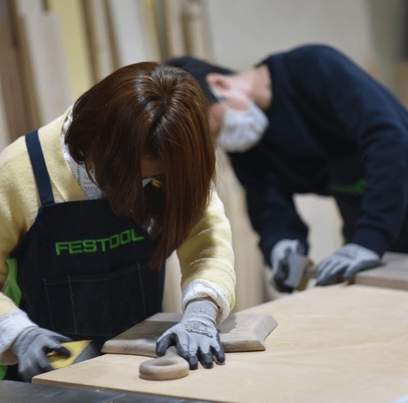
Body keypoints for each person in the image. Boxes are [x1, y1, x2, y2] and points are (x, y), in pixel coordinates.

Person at [0, 62, 236, 382]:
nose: (142, 188)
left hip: (134, 365)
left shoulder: (173, 163)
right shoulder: (17, 174)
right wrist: (16, 334)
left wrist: (201, 314)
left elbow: (207, 244)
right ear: (97, 144)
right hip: (42, 374)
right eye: (133, 176)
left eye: (154, 177)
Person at [166, 44, 408, 292]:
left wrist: (370, 237)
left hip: (387, 209)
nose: (220, 141)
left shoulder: (312, 67)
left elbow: (388, 138)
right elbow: (268, 203)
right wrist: (282, 245)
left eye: (214, 129)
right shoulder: (249, 144)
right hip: (369, 220)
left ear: (219, 84)